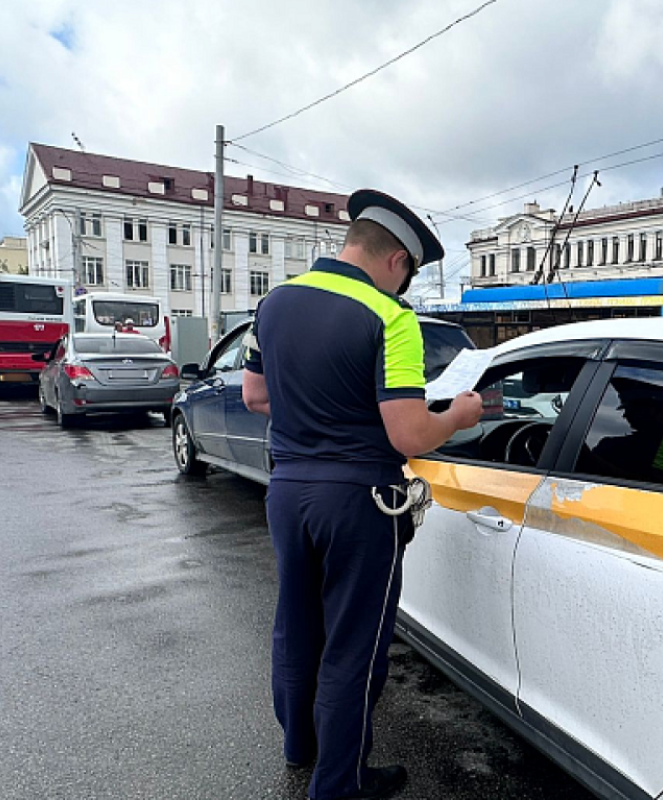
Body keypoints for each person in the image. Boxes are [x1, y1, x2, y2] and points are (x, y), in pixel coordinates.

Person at [242, 188, 483, 800]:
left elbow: (256, 397)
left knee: (296, 626)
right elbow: (409, 434)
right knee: (355, 644)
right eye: (408, 276)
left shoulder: (273, 303)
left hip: (288, 490)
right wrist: (456, 414)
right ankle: (340, 784)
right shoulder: (389, 317)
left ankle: (301, 746)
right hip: (358, 500)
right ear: (398, 261)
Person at [585, 376, 663, 486]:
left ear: (658, 410)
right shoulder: (657, 441)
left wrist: (586, 457)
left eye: (632, 409)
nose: (625, 415)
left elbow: (653, 487)